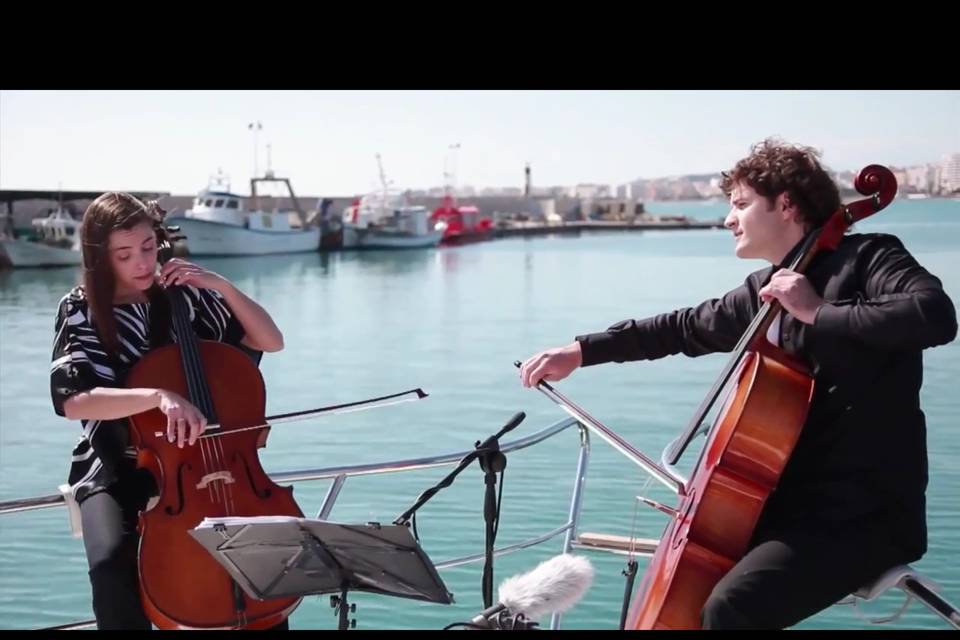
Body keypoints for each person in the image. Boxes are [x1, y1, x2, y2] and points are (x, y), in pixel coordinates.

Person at [519, 139, 958, 629]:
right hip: (787, 511)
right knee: (687, 590)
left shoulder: (870, 257)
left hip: (863, 517)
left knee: (733, 608)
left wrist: (817, 312)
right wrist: (581, 351)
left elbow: (935, 316)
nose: (729, 219)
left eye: (741, 205)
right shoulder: (765, 292)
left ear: (787, 205)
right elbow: (683, 327)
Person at [50, 192, 288, 630]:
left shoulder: (186, 298)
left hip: (210, 465)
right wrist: (158, 396)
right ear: (101, 258)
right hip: (116, 466)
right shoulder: (80, 309)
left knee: (260, 568)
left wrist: (220, 285)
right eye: (125, 254)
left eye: (147, 248)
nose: (142, 263)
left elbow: (269, 341)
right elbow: (73, 401)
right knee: (110, 569)